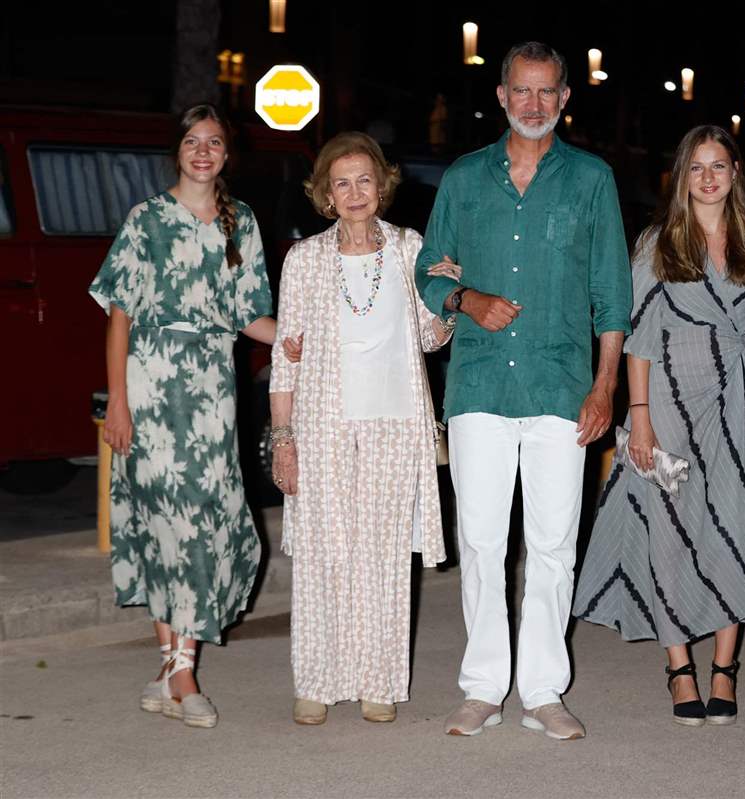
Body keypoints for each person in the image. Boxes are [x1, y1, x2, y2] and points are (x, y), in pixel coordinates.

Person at [414, 41, 632, 741]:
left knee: (552, 542)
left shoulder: (591, 180)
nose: (534, 105)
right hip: (479, 383)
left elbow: (613, 294)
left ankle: (542, 689)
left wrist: (605, 387)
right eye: (522, 92)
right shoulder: (465, 178)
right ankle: (483, 686)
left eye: (547, 93)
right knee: (480, 539)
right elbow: (429, 269)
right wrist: (466, 298)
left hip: (561, 385)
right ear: (502, 97)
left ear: (565, 99)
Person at [572, 125, 745, 727]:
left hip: (736, 406)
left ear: (736, 173)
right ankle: (678, 668)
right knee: (669, 533)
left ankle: (725, 668)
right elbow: (637, 339)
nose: (708, 177)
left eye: (718, 166)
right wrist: (638, 421)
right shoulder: (658, 243)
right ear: (682, 176)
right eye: (697, 168)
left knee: (738, 526)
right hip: (666, 401)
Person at [89, 104, 280, 728]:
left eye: (215, 142)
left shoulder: (240, 222)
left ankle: (169, 671)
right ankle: (183, 673)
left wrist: (302, 338)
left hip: (213, 390)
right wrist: (118, 401)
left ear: (228, 154)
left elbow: (250, 314)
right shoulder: (146, 220)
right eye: (192, 141)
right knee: (164, 522)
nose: (203, 151)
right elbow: (119, 313)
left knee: (206, 519)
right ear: (177, 151)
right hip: (149, 384)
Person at [268, 132, 459, 725]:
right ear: (325, 194)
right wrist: (283, 439)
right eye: (341, 183)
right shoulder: (305, 259)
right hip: (323, 425)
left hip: (396, 426)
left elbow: (430, 338)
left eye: (364, 181)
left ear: (382, 187)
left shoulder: (409, 249)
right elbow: (285, 355)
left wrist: (448, 295)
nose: (353, 193)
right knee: (326, 556)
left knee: (381, 559)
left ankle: (378, 680)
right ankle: (318, 681)